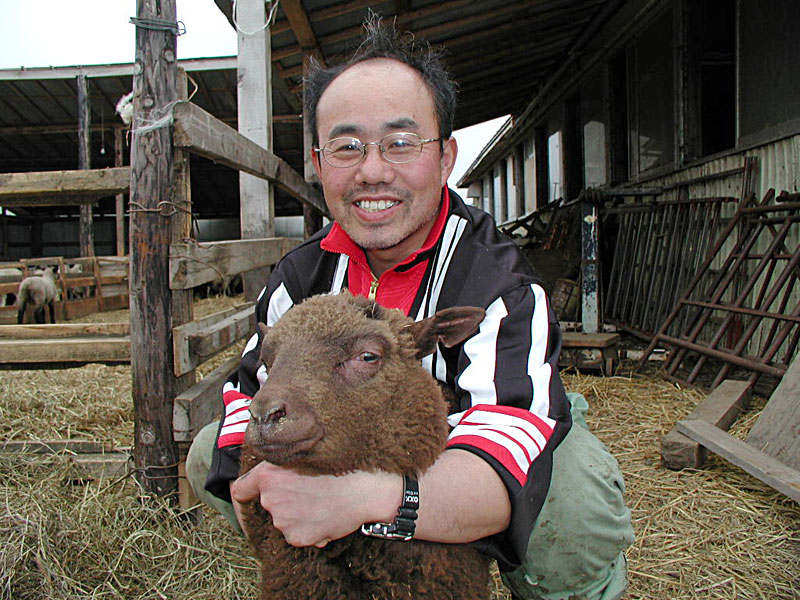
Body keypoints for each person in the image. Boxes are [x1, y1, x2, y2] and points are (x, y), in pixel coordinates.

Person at [187, 14, 634, 600]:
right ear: (320, 164)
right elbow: (249, 396)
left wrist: (362, 501)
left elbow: (505, 442)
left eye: (401, 143)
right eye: (347, 147)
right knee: (208, 453)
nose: (373, 171)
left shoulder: (497, 281)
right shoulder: (299, 278)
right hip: (350, 430)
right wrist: (279, 509)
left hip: (476, 425)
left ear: (446, 157)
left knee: (571, 501)